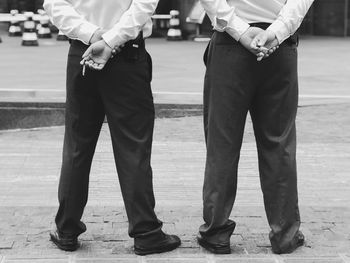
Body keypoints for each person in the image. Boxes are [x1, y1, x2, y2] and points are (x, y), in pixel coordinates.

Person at [43, 0, 181, 255]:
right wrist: (110, 40)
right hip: (127, 54)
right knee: (133, 146)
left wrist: (92, 35)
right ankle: (146, 231)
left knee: (77, 145)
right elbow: (144, 5)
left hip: (82, 51)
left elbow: (53, 4)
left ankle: (67, 229)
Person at [198, 0, 314, 254]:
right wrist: (276, 31)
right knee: (279, 143)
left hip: (230, 45)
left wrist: (239, 30)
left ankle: (217, 231)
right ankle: (285, 233)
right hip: (279, 46)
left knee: (222, 143)